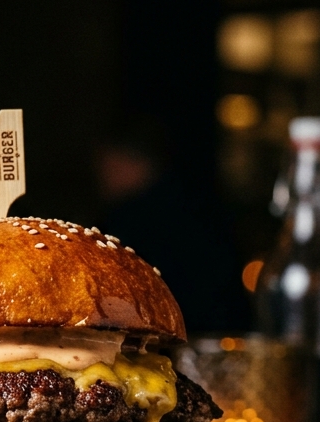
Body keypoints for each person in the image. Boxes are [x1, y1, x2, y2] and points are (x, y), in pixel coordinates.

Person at [95, 120, 248, 334]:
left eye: (105, 163)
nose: (102, 174)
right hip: (225, 328)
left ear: (123, 161)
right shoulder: (199, 205)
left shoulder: (132, 219)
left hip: (180, 337)